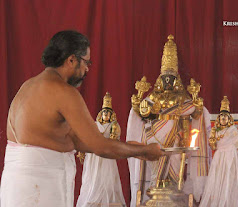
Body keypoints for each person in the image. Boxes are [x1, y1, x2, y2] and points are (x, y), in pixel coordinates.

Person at [0, 30, 163, 207]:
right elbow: (100, 147)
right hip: (41, 190)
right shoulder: (64, 92)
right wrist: (144, 152)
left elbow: (72, 139)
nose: (87, 69)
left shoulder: (28, 86)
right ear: (71, 60)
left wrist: (130, 147)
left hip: (15, 188)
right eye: (86, 62)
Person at [127, 35, 211, 206]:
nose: (167, 82)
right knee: (155, 161)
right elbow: (144, 112)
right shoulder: (154, 96)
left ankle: (172, 188)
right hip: (154, 134)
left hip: (175, 136)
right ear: (160, 80)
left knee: (174, 160)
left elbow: (194, 111)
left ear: (176, 81)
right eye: (165, 79)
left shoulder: (181, 97)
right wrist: (138, 103)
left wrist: (195, 101)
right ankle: (156, 188)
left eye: (170, 79)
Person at [77, 92, 126, 207]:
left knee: (107, 178)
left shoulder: (114, 126)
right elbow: (86, 139)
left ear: (111, 115)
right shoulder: (94, 125)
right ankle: (93, 197)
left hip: (107, 156)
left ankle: (106, 199)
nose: (105, 115)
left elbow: (115, 143)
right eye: (104, 112)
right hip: (94, 156)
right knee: (93, 177)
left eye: (108, 113)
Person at [200, 96, 238, 207]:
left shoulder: (233, 131)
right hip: (219, 158)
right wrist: (212, 139)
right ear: (218, 118)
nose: (223, 118)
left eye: (225, 116)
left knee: (230, 183)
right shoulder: (215, 131)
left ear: (229, 119)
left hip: (231, 158)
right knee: (217, 182)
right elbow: (213, 147)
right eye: (221, 116)